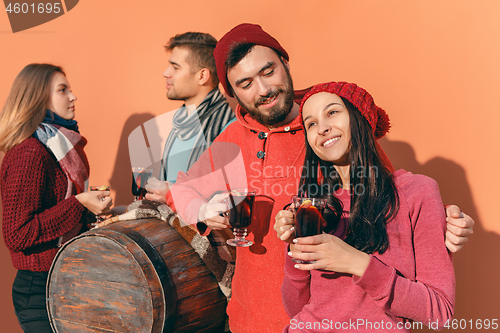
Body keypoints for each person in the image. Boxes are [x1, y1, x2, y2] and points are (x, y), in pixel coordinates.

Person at [165, 23, 472, 332]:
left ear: (285, 63)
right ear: (232, 94)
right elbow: (180, 191)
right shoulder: (232, 138)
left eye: (268, 72)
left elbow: (389, 202)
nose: (263, 89)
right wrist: (204, 212)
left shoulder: (332, 134)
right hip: (248, 320)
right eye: (245, 83)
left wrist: (442, 225)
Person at [274, 81, 454, 332]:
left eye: (332, 112)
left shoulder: (416, 192)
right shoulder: (314, 202)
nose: (322, 128)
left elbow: (439, 312)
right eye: (311, 123)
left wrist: (356, 263)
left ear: (360, 118)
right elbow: (296, 309)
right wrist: (294, 251)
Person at [0, 64, 112, 333]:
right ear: (38, 98)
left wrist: (92, 213)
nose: (73, 97)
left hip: (68, 277)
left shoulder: (60, 147)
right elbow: (17, 234)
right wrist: (79, 203)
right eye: (63, 90)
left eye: (70, 89)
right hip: (39, 289)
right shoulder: (30, 153)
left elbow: (56, 213)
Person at [146, 32, 235, 202]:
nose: (166, 73)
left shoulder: (228, 128)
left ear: (202, 76)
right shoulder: (179, 124)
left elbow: (225, 197)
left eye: (175, 67)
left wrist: (173, 194)